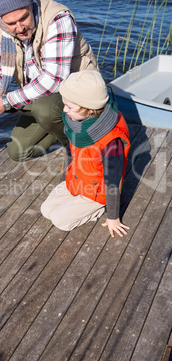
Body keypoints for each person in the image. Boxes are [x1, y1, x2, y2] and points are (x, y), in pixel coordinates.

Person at [0, 0, 99, 162]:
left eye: (23, 18)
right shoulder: (0, 27)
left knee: (44, 109)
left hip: (79, 95)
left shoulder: (58, 19)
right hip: (42, 95)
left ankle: (79, 147)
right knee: (18, 152)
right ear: (2, 19)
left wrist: (4, 102)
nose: (20, 28)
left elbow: (53, 81)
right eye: (11, 23)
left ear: (31, 5)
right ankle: (64, 129)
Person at [41, 70, 131, 238]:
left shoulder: (111, 140)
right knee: (46, 210)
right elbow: (70, 152)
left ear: (90, 109)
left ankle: (101, 208)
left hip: (97, 192)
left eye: (70, 106)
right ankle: (74, 197)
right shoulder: (74, 121)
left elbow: (113, 180)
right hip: (77, 179)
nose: (64, 110)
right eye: (64, 104)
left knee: (60, 221)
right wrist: (64, 181)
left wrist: (113, 217)